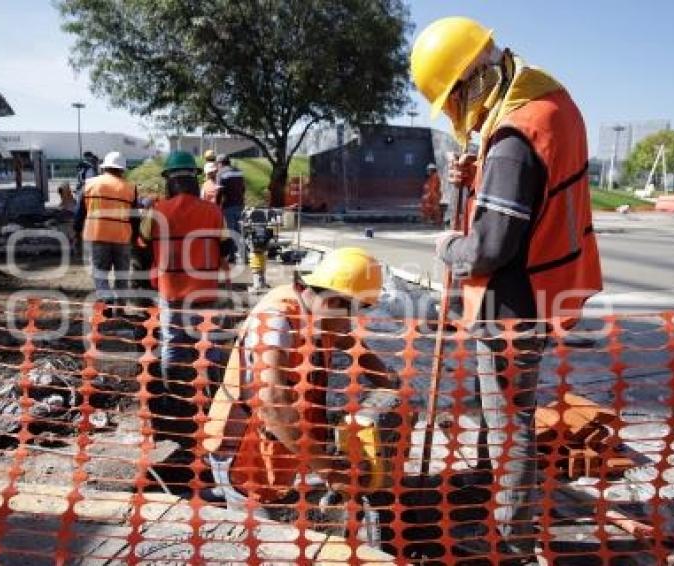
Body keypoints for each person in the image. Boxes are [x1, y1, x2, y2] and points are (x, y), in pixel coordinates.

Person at [411, 17, 603, 564]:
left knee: (510, 424)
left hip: (510, 305)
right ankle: (487, 490)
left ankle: (510, 541)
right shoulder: (549, 106)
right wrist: (479, 177)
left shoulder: (513, 139)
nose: (455, 113)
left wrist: (450, 245)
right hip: (535, 291)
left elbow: (490, 245)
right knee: (497, 413)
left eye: (452, 98)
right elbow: (528, 194)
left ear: (472, 80)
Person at [202, 247, 400, 516]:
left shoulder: (324, 313)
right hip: (242, 446)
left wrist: (383, 377)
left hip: (280, 439)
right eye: (349, 309)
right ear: (332, 300)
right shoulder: (275, 320)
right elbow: (271, 404)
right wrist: (329, 470)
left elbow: (349, 341)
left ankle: (222, 494)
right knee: (256, 526)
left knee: (279, 494)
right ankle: (224, 499)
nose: (350, 320)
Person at [135, 150, 232, 428]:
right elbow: (227, 247)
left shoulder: (156, 212)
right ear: (194, 179)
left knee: (173, 344)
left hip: (171, 290)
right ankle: (215, 398)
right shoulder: (213, 211)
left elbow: (140, 246)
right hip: (205, 291)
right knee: (209, 345)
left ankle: (175, 397)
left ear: (169, 180)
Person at [74, 151, 138, 308]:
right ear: (122, 170)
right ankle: (120, 307)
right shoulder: (130, 188)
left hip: (97, 235)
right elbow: (135, 217)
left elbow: (80, 213)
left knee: (99, 272)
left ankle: (106, 297)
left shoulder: (89, 185)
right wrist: (135, 237)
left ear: (104, 168)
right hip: (122, 237)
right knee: (122, 275)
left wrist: (76, 232)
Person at [215, 154, 247, 262]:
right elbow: (243, 188)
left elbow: (219, 191)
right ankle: (243, 254)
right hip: (240, 204)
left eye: (217, 164)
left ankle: (232, 256)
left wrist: (216, 205)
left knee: (230, 231)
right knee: (240, 230)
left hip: (228, 205)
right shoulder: (239, 171)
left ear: (220, 163)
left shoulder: (221, 173)